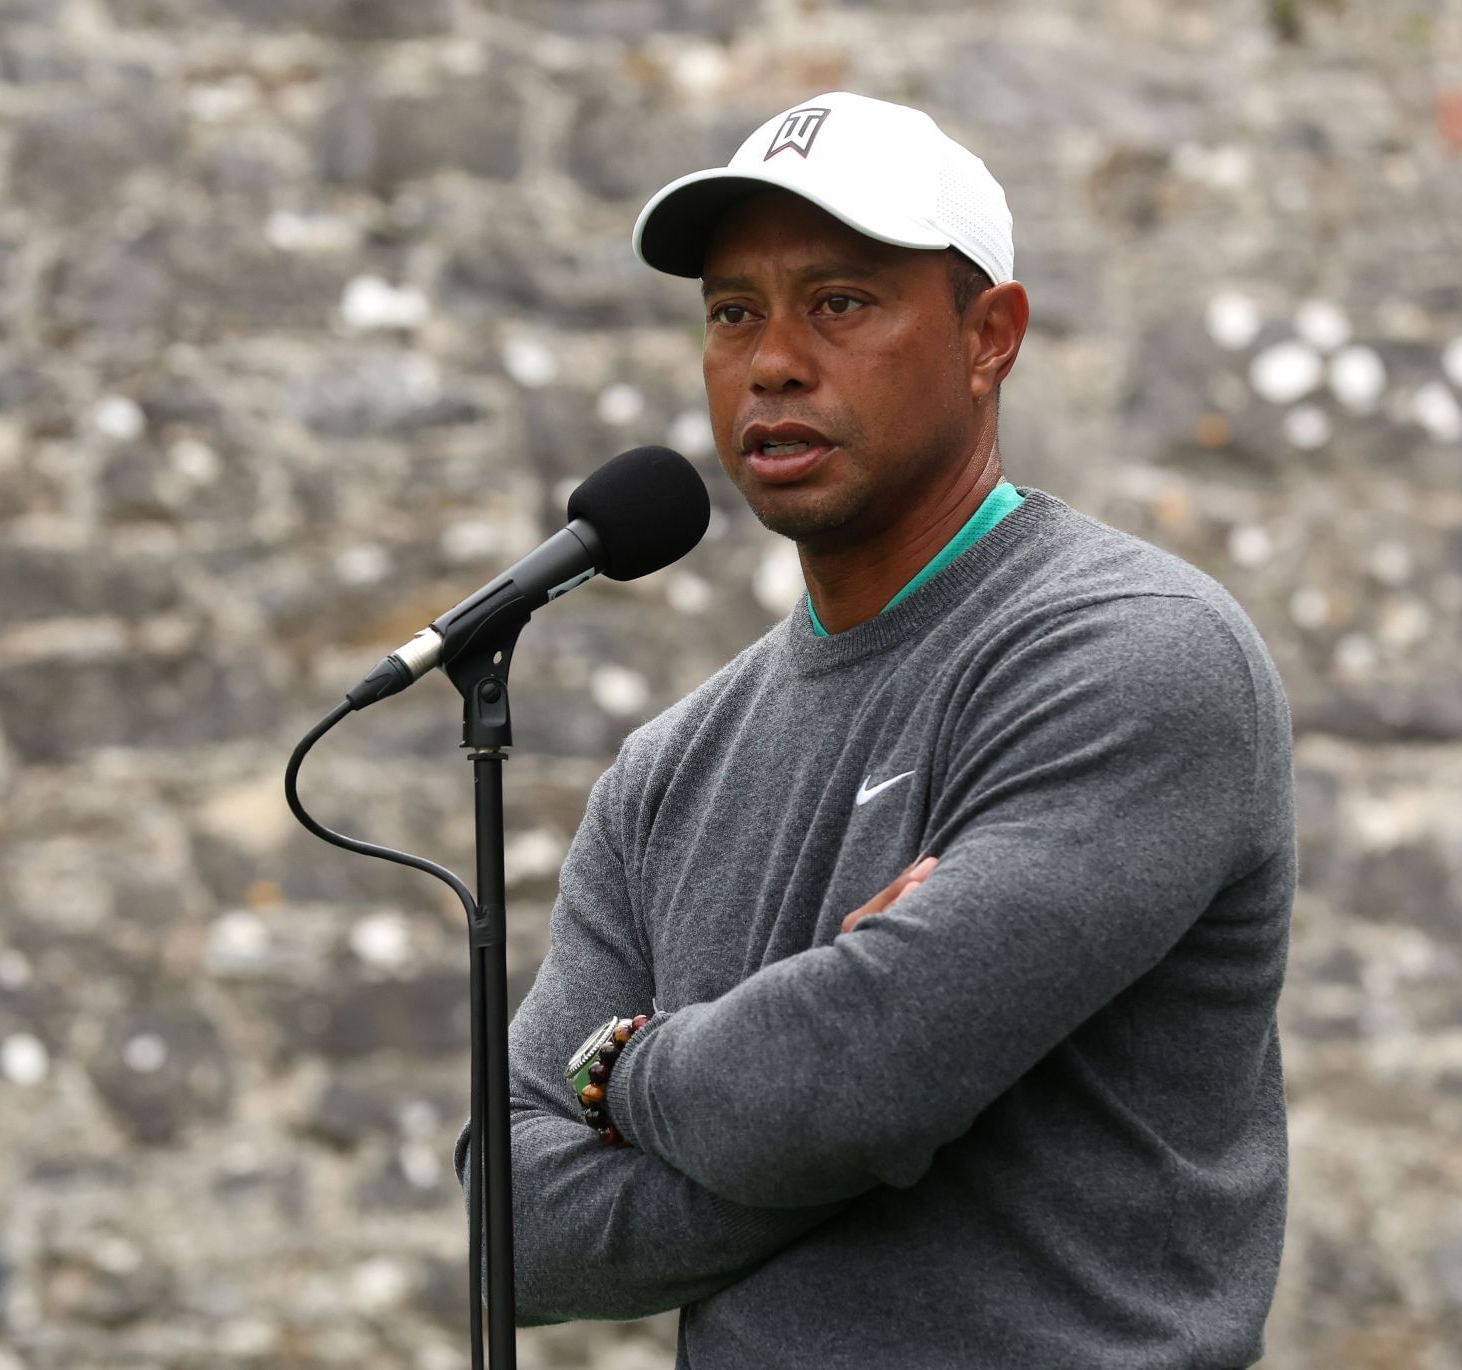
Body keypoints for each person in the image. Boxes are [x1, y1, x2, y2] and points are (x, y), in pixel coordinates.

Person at [456, 92, 1294, 1368]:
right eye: (734, 311)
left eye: (840, 302)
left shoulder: (1131, 654)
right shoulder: (667, 773)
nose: (774, 359)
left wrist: (620, 1071)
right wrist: (819, 1093)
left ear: (988, 337)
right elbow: (508, 1227)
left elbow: (839, 1089)